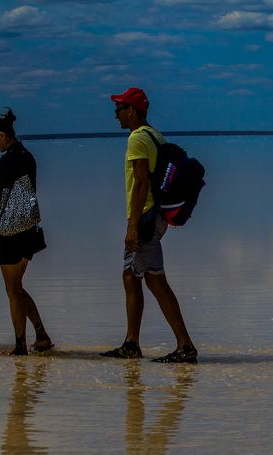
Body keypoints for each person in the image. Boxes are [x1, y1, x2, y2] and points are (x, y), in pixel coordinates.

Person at [101, 87, 197, 363]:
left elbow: (141, 182)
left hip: (144, 217)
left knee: (156, 281)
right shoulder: (155, 135)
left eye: (118, 109)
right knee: (131, 276)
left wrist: (132, 226)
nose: (116, 115)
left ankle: (185, 346)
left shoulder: (137, 140)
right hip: (153, 216)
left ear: (130, 110)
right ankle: (131, 343)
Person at [0, 108, 52, 356]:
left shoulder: (8, 159)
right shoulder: (28, 156)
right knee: (17, 287)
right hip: (29, 229)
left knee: (12, 291)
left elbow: (3, 202)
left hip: (10, 232)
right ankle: (41, 335)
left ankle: (21, 345)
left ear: (3, 135)